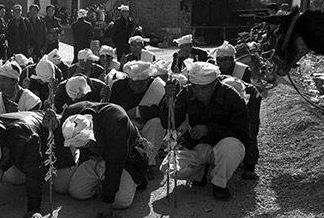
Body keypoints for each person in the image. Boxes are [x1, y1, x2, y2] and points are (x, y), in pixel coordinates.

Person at [161, 62, 249, 201]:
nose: (199, 92)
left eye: (204, 89)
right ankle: (200, 173)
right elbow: (172, 123)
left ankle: (219, 183)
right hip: (198, 146)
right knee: (169, 168)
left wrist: (209, 129)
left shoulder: (231, 97)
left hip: (223, 146)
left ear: (214, 84)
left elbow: (243, 132)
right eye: (195, 88)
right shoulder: (187, 92)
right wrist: (168, 100)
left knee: (232, 148)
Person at [52, 102, 149, 218]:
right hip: (94, 158)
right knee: (77, 192)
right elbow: (60, 146)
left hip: (124, 159)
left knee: (120, 202)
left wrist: (108, 201)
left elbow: (115, 163)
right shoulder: (70, 114)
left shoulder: (117, 121)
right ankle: (104, 182)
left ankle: (135, 180)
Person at [110, 61, 166, 175]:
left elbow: (164, 112)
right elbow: (112, 108)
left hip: (146, 127)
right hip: (125, 125)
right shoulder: (118, 86)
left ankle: (148, 163)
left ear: (147, 80)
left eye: (140, 84)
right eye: (132, 83)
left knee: (157, 123)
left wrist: (139, 111)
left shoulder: (157, 87)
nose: (135, 86)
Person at [220, 75, 262, 180]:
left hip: (247, 101)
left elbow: (251, 127)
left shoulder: (253, 93)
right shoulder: (213, 88)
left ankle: (249, 165)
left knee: (249, 129)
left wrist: (250, 166)